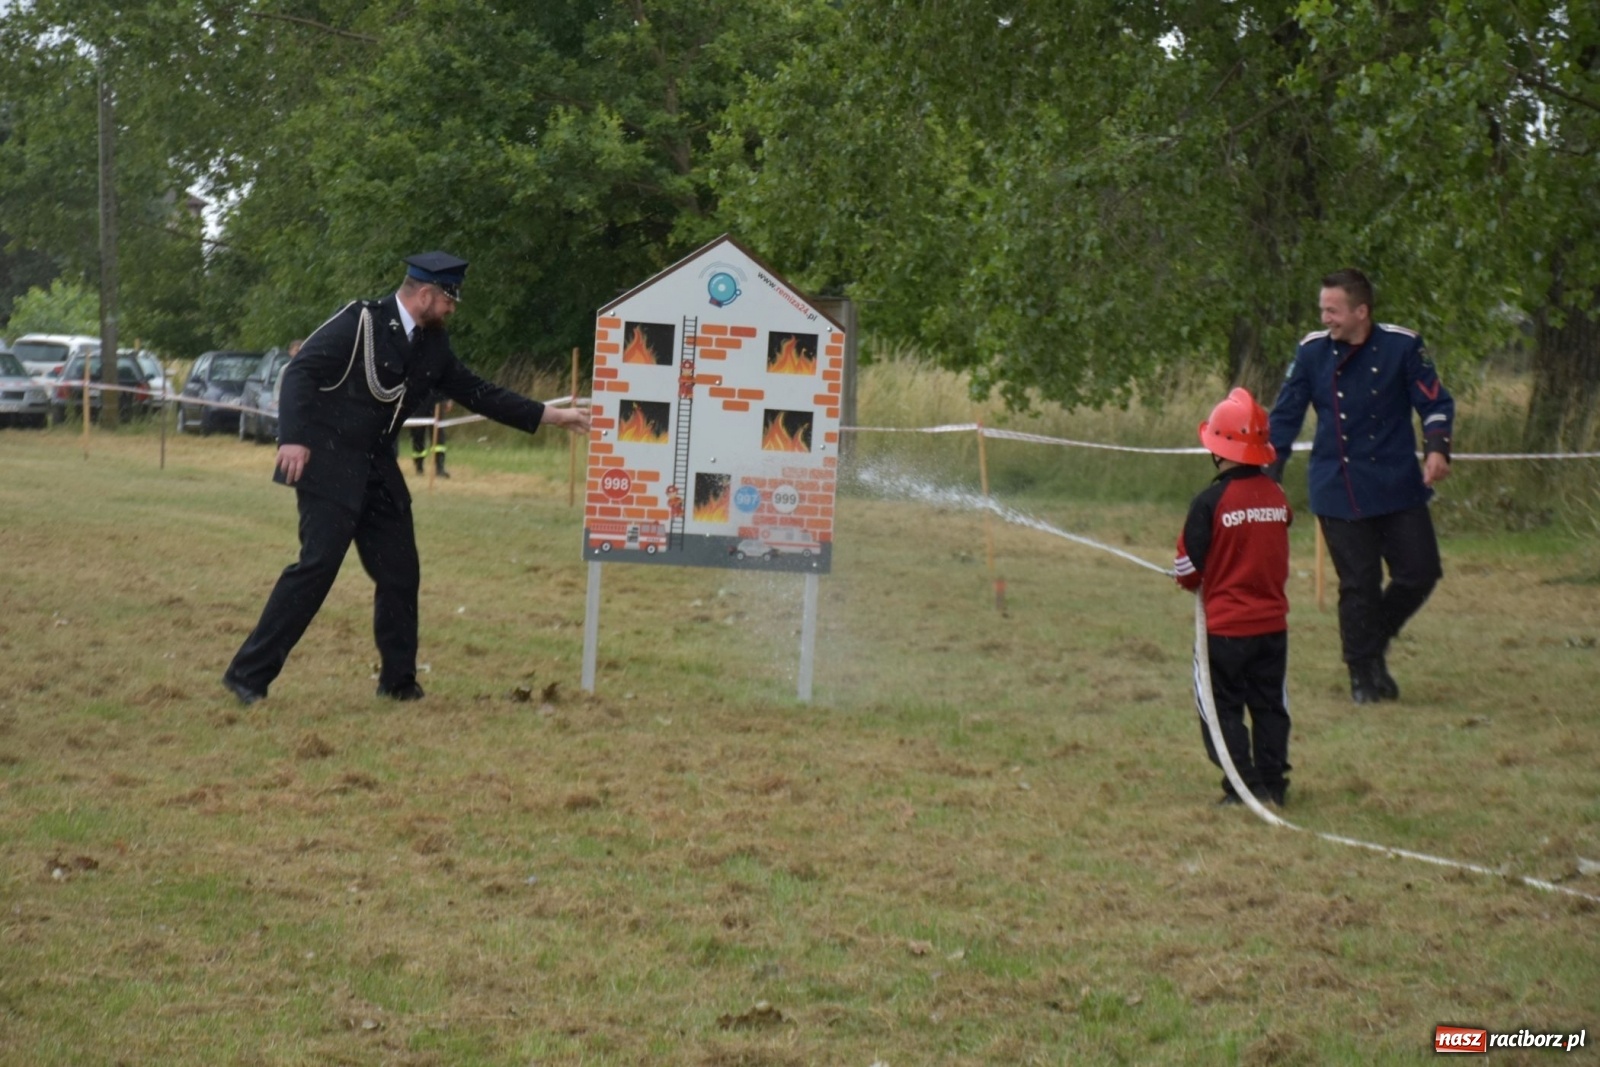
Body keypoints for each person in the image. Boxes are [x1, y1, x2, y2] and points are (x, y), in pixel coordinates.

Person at [222, 251, 590, 705]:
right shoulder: (360, 321)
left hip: (378, 471)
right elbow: (300, 372)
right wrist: (292, 438)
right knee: (316, 569)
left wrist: (552, 415)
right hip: (330, 465)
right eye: (449, 300)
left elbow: (479, 392)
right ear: (426, 295)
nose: (452, 309)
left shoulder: (434, 345)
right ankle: (247, 676)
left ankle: (399, 683)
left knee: (401, 573)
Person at [1267, 268, 1454, 705]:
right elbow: (1286, 415)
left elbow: (1435, 401)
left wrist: (1437, 449)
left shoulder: (1403, 346)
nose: (1325, 318)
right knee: (1359, 584)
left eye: (1333, 310)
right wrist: (1269, 473)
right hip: (1339, 485)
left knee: (1420, 572)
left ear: (1361, 311)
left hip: (1397, 483)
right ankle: (1361, 674)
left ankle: (1371, 645)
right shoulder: (1312, 352)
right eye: (1322, 309)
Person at [1176, 388, 1294, 806]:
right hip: (1272, 627)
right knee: (1269, 705)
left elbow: (1188, 570)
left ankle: (1243, 787)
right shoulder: (1277, 495)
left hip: (1225, 631)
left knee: (1220, 707)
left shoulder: (1209, 502)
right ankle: (1273, 783)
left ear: (1217, 447)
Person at [409, 389, 451, 477]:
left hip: (437, 398)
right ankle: (419, 467)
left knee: (438, 434)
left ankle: (440, 468)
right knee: (417, 433)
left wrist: (448, 399)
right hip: (417, 398)